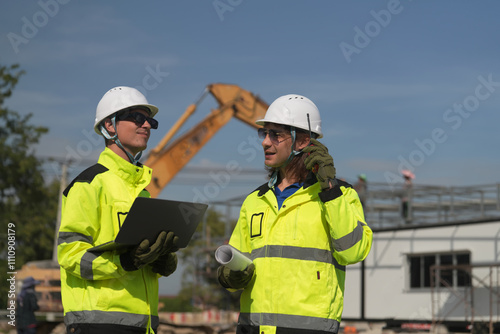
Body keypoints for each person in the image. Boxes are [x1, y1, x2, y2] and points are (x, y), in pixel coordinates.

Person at [217, 94, 373, 333]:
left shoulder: (339, 195)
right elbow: (236, 264)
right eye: (264, 133)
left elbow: (353, 252)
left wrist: (329, 189)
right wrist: (229, 277)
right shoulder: (254, 201)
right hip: (252, 328)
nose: (265, 143)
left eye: (276, 135)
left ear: (302, 140)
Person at [57, 86, 179, 334]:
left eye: (150, 121)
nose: (146, 125)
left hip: (143, 325)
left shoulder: (143, 192)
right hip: (98, 324)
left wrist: (161, 260)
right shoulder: (88, 184)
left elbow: (140, 260)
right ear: (109, 126)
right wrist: (123, 261)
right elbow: (70, 255)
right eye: (136, 117)